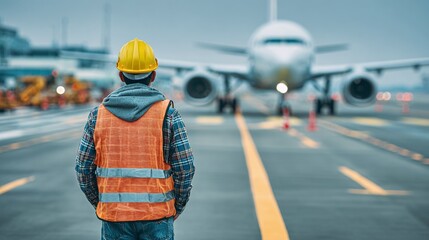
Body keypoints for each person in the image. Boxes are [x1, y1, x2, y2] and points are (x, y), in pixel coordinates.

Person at [75, 38, 195, 240]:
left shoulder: (98, 116)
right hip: (158, 217)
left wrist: (103, 203)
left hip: (114, 218)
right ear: (153, 75)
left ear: (120, 75)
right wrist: (177, 206)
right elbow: (185, 169)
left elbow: (83, 170)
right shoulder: (168, 115)